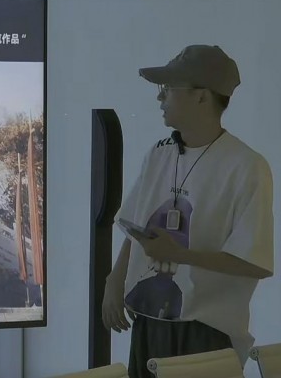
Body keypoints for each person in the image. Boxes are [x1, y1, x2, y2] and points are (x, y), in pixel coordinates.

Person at [102, 45, 274, 377]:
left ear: (202, 96)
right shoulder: (159, 153)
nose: (160, 97)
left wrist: (181, 255)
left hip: (207, 330)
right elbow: (136, 227)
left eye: (168, 88)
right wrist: (115, 279)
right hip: (149, 323)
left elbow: (253, 261)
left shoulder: (246, 166)